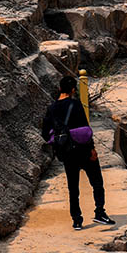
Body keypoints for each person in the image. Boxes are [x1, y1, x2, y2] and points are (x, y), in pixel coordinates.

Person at [41, 75, 115, 230]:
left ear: (60, 89)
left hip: (67, 152)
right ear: (73, 90)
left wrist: (58, 141)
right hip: (83, 149)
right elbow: (85, 129)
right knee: (97, 183)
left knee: (73, 187)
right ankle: (100, 213)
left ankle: (77, 220)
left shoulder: (51, 108)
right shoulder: (75, 104)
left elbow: (45, 132)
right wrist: (92, 149)